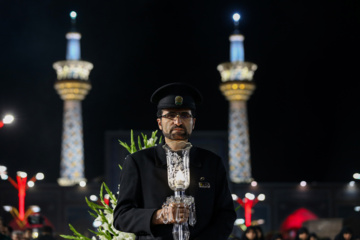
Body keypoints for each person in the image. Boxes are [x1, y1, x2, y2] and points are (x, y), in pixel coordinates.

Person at [113, 82, 236, 239]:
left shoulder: (212, 163)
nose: (178, 122)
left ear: (193, 122)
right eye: (170, 115)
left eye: (185, 115)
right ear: (159, 123)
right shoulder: (138, 162)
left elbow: (226, 215)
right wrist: (160, 215)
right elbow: (121, 217)